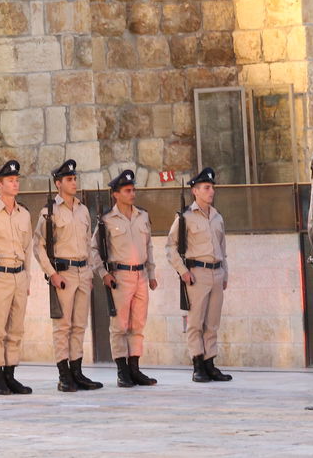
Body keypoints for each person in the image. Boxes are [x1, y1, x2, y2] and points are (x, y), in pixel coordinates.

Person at [34, 158, 104, 392]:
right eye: (69, 179)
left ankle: (77, 371)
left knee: (79, 326)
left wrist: (90, 273)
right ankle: (64, 374)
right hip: (62, 274)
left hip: (83, 272)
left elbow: (87, 243)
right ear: (58, 184)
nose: (74, 183)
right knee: (62, 326)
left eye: (75, 179)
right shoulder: (49, 212)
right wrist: (52, 274)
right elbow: (39, 246)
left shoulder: (83, 210)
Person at [166, 166, 232, 382]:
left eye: (212, 187)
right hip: (197, 274)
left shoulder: (217, 217)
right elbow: (170, 247)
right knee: (196, 322)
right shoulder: (185, 217)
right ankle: (197, 364)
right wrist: (183, 272)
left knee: (212, 322)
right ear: (195, 191)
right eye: (206, 187)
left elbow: (223, 248)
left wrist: (225, 273)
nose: (211, 191)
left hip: (216, 273)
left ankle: (210, 363)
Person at [98, 168, 159, 387]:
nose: (132, 194)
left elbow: (149, 246)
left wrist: (151, 274)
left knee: (138, 325)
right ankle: (122, 371)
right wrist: (103, 273)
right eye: (127, 190)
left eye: (133, 190)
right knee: (119, 326)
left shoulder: (142, 216)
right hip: (120, 276)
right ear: (116, 193)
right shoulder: (106, 219)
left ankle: (135, 368)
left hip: (141, 275)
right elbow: (94, 249)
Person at [0, 158, 33, 395]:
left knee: (16, 330)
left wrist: (28, 277)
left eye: (16, 180)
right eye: (10, 180)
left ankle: (11, 375)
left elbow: (28, 248)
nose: (15, 184)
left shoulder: (24, 214)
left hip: (19, 276)